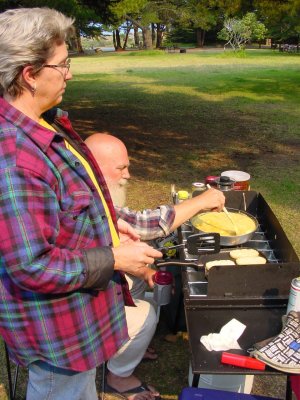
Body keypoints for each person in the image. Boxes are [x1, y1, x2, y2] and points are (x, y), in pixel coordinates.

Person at [0, 8, 163, 400]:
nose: (69, 73)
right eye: (63, 64)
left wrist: (107, 226)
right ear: (30, 73)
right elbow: (31, 264)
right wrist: (116, 258)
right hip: (58, 333)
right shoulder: (15, 158)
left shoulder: (46, 122)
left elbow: (68, 206)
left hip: (79, 320)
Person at [84, 133, 226, 357]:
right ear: (95, 168)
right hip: (82, 303)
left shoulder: (91, 190)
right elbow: (147, 225)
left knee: (140, 285)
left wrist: (144, 271)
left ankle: (127, 341)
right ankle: (118, 375)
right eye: (121, 168)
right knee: (147, 313)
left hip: (96, 275)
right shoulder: (87, 200)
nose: (128, 175)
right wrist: (201, 201)